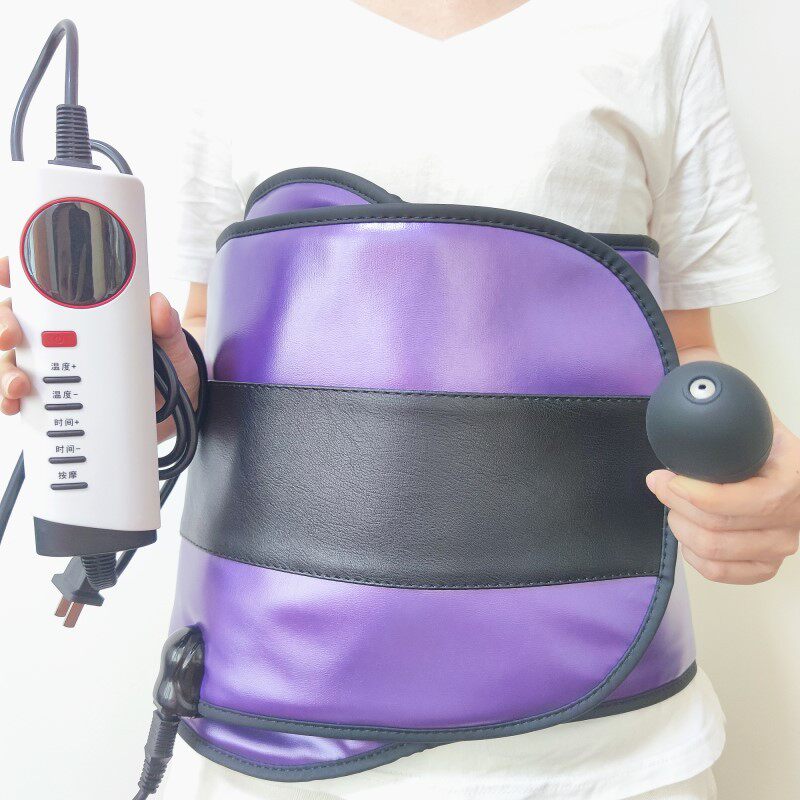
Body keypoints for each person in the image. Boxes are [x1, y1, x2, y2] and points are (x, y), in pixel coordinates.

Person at [2, 1, 799, 798]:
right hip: (277, 718)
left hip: (605, 747)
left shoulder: (654, 24)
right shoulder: (238, 33)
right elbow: (220, 330)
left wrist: (756, 469)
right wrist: (148, 385)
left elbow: (680, 349)